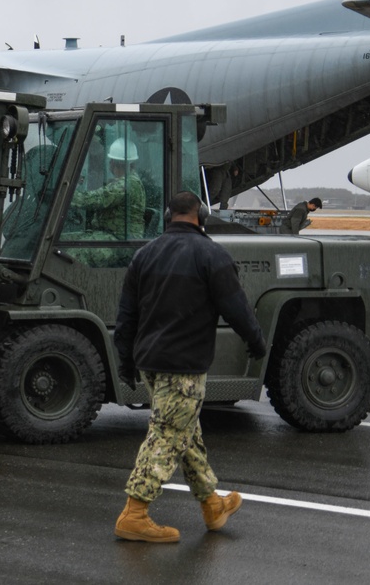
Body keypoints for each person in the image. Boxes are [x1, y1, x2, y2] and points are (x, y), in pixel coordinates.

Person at [113, 191, 267, 543]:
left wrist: (125, 362)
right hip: (183, 367)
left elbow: (126, 317)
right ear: (203, 217)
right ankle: (134, 515)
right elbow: (237, 309)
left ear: (168, 216)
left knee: (187, 434)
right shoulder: (212, 255)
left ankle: (213, 505)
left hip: (151, 363)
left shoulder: (144, 255)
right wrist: (257, 343)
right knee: (167, 436)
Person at [71, 138, 146, 239]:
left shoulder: (125, 185)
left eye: (111, 160)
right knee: (65, 240)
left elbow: (92, 200)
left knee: (70, 249)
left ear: (114, 162)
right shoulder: (126, 181)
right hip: (111, 234)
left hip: (120, 240)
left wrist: (66, 195)